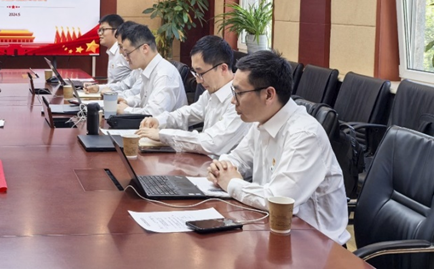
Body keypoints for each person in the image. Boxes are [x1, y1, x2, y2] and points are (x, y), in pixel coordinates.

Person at [207, 50, 349, 244]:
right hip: (273, 229)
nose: (233, 101)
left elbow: (278, 200)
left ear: (268, 94)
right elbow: (239, 158)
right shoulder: (262, 120)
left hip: (315, 243)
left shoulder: (305, 135)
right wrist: (221, 168)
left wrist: (231, 183)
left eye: (238, 93)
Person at [136, 35, 249, 156]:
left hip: (221, 163)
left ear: (223, 68)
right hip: (204, 160)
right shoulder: (211, 93)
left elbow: (212, 142)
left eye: (201, 73)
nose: (198, 81)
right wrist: (159, 120)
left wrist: (162, 135)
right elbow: (187, 113)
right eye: (195, 73)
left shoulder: (241, 101)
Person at [115, 23, 187, 116]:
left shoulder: (164, 75)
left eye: (127, 53)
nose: (126, 58)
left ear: (145, 48)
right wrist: (128, 101)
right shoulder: (148, 69)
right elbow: (146, 98)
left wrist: (126, 110)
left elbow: (154, 114)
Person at [87, 21, 142, 98]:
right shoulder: (138, 70)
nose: (100, 33)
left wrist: (111, 94)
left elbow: (134, 94)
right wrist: (98, 88)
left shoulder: (156, 71)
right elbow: (123, 85)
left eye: (103, 30)